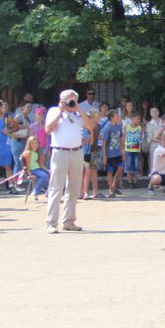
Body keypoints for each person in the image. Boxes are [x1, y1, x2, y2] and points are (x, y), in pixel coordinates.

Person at [45, 89, 98, 233]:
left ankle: (69, 221)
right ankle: (51, 223)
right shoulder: (54, 111)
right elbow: (48, 129)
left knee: (74, 189)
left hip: (76, 152)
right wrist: (61, 112)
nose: (71, 101)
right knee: (56, 188)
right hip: (60, 152)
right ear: (61, 99)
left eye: (74, 99)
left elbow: (90, 127)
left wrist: (79, 109)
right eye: (69, 99)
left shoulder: (77, 114)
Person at [98, 110, 124, 198]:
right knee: (110, 171)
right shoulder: (107, 128)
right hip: (110, 154)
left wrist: (122, 151)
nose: (118, 117)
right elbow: (104, 143)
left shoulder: (118, 127)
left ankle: (114, 186)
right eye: (116, 116)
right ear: (112, 118)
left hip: (117, 152)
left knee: (120, 168)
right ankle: (110, 189)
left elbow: (121, 139)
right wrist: (104, 156)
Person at [9, 102, 32, 188]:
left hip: (24, 142)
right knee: (18, 163)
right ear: (23, 107)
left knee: (22, 163)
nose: (29, 109)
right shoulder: (19, 116)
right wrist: (22, 127)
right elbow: (12, 128)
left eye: (30, 107)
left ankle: (20, 182)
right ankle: (16, 185)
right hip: (17, 141)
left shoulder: (27, 118)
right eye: (27, 107)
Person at [21, 136, 50, 201]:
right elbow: (27, 165)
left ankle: (48, 192)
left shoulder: (38, 153)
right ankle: (35, 192)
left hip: (39, 169)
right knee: (44, 176)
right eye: (33, 143)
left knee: (52, 174)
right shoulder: (28, 153)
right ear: (29, 144)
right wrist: (30, 174)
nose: (35, 145)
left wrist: (48, 170)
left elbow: (41, 164)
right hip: (33, 170)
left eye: (36, 143)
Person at [81, 110, 101, 200]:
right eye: (97, 117)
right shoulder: (84, 128)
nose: (99, 118)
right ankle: (83, 192)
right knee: (85, 172)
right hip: (85, 152)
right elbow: (83, 142)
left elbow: (94, 140)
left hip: (94, 150)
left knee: (93, 171)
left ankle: (95, 191)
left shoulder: (97, 127)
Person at [123, 112, 144, 189]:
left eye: (139, 119)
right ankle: (129, 181)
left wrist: (140, 148)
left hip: (136, 149)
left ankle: (135, 181)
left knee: (136, 166)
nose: (138, 120)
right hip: (128, 149)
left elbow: (140, 139)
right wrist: (123, 148)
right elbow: (124, 137)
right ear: (132, 119)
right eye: (137, 119)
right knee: (128, 166)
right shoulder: (127, 127)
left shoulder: (139, 128)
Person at [145, 106, 164, 178]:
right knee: (154, 162)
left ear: (159, 112)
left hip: (164, 145)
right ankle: (154, 178)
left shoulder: (163, 122)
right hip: (154, 145)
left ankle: (162, 178)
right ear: (150, 114)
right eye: (153, 111)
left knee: (163, 162)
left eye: (156, 111)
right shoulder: (149, 124)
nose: (155, 112)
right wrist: (160, 140)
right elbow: (150, 137)